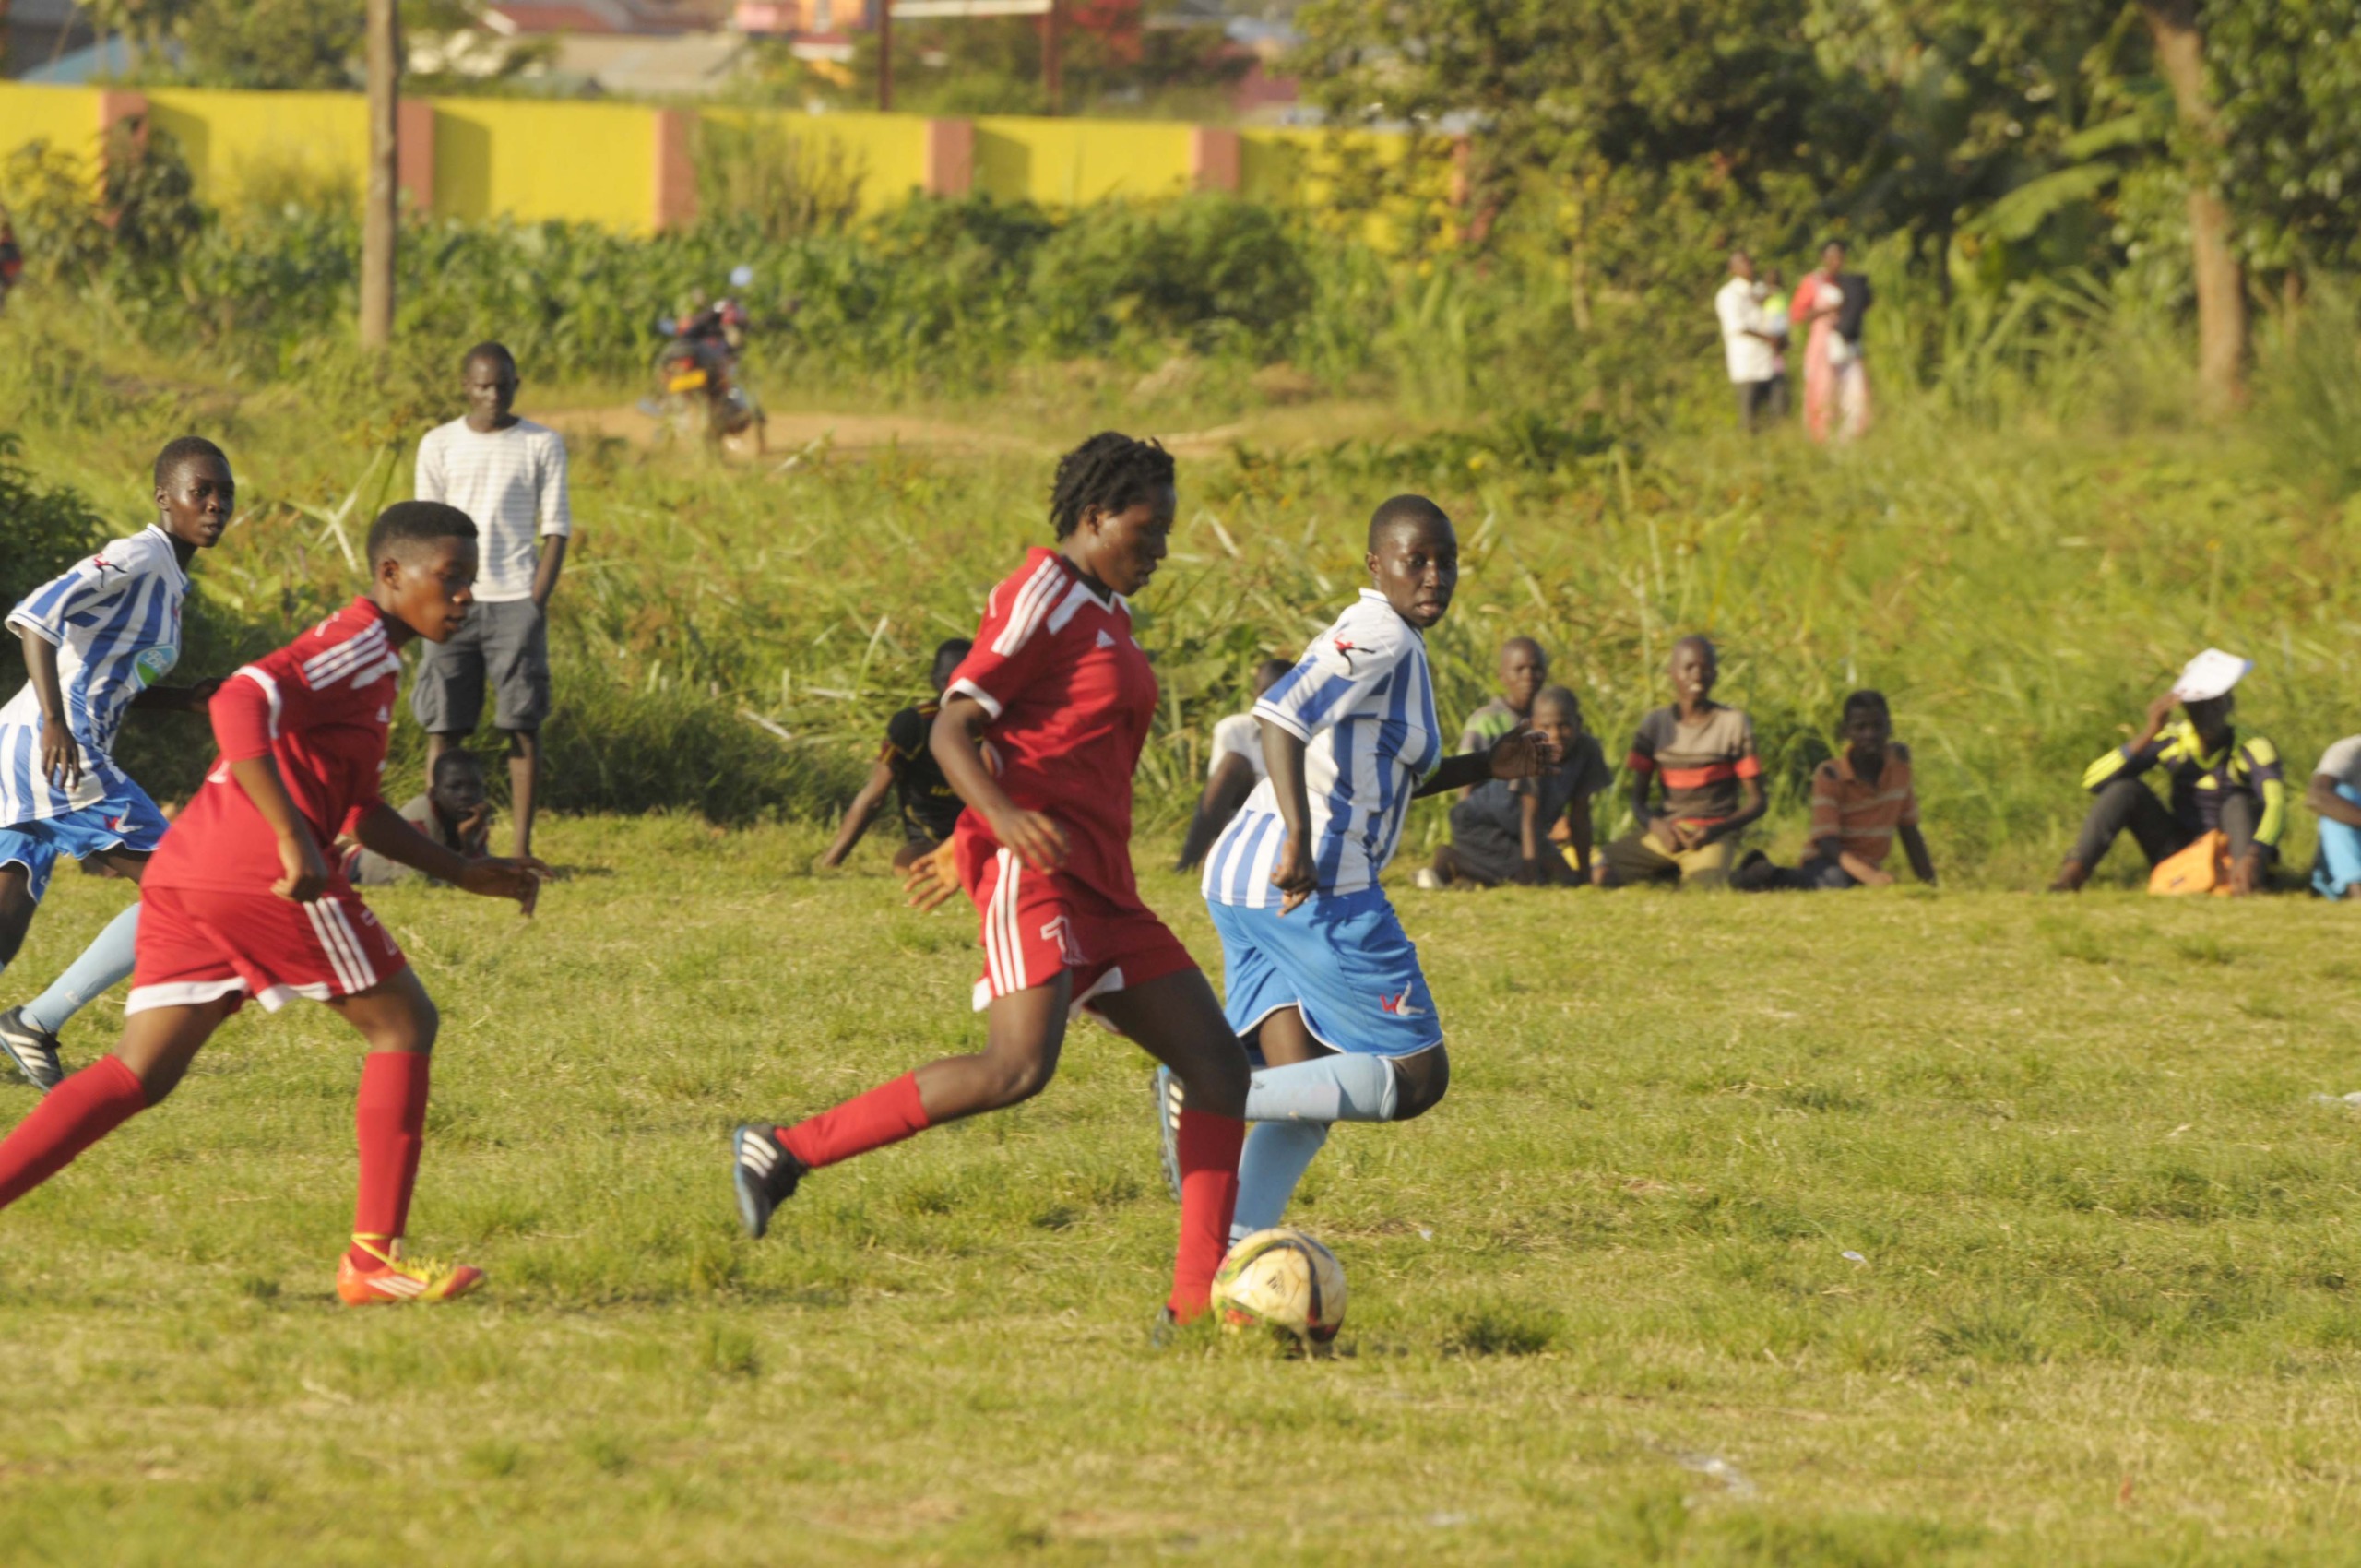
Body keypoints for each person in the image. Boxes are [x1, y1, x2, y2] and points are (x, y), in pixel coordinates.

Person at [729, 434, 1249, 1330]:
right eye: (1146, 526)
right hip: (1036, 875)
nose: (1159, 546)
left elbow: (1056, 751)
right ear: (1094, 516)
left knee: (1216, 1067)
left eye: (1166, 530)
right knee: (1016, 1067)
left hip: (1106, 888)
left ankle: (1195, 1306)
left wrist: (972, 830)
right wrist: (997, 827)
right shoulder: (1040, 589)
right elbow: (954, 727)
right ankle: (783, 1147)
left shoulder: (1108, 612)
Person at [0, 502, 545, 1304]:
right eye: (451, 579)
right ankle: (371, 1261)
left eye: (471, 582)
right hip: (255, 872)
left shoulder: (381, 665)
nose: (464, 598)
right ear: (393, 576)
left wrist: (462, 872)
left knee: (138, 1072)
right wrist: (293, 840)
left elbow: (360, 808)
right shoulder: (357, 643)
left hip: (192, 869)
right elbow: (238, 702)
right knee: (403, 1023)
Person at [1176, 495, 1559, 1251]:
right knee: (1416, 1078)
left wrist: (1486, 764)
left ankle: (1233, 1255)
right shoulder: (1380, 632)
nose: (1434, 575)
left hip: (1247, 881)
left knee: (1306, 1093)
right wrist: (1298, 835)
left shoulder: (1401, 645)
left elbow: (1383, 774)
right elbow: (1279, 716)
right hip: (1315, 884)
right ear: (1375, 565)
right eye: (1415, 560)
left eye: (1446, 561)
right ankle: (1206, 1092)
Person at [0, 438, 234, 1093]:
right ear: (166, 498)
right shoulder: (140, 555)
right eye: (201, 491)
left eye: (225, 493)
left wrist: (184, 701)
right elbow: (37, 618)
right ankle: (35, 1023)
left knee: (6, 924)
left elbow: (110, 676)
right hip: (55, 747)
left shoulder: (172, 579)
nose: (216, 504)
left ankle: (30, 1025)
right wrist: (53, 720)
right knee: (185, 888)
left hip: (26, 747)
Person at [412, 341, 571, 861]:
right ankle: (442, 847)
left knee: (521, 726)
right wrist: (430, 601)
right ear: (466, 387)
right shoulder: (438, 444)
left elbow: (556, 530)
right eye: (483, 386)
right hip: (450, 603)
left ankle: (520, 849)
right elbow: (425, 531)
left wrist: (534, 603)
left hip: (513, 601)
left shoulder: (541, 444)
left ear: (515, 384)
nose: (493, 396)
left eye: (503, 385)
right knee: (445, 726)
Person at [2048, 649, 2284, 895]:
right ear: (2186, 708)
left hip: (2237, 851)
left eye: (2216, 703)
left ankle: (2244, 883)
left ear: (2230, 704)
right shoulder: (2172, 740)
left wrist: (2255, 852)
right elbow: (2093, 782)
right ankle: (2071, 876)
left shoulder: (2251, 746)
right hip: (2181, 851)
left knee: (2238, 802)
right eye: (2199, 706)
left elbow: (2276, 805)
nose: (2208, 714)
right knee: (2125, 790)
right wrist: (2149, 733)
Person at [1596, 636, 1764, 889]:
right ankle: (1665, 870)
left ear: (1715, 674)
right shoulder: (1654, 725)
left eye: (1705, 668)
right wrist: (1658, 827)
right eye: (1688, 668)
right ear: (1672, 673)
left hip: (1711, 835)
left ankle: (1730, 869)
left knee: (1699, 890)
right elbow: (1637, 800)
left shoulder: (1733, 724)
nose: (1697, 676)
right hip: (1667, 834)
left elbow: (1757, 802)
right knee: (1598, 873)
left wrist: (1714, 831)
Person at [1733, 690, 1936, 890]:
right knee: (1836, 881)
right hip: (1828, 861)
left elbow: (1909, 831)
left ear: (1889, 728)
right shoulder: (1831, 774)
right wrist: (1870, 876)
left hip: (1864, 866)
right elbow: (1826, 842)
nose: (1870, 734)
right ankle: (1764, 875)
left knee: (1847, 883)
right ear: (1846, 731)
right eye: (1860, 727)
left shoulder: (1899, 769)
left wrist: (1929, 883)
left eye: (1877, 726)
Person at [1422, 685, 1612, 887]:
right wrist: (1531, 875)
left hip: (1521, 828)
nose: (1555, 734)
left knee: (1566, 878)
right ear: (1534, 725)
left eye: (1564, 725)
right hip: (1477, 822)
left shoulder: (1588, 750)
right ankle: (1452, 860)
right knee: (1524, 875)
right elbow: (1529, 816)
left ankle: (1472, 875)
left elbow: (1580, 817)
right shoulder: (1531, 751)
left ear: (1579, 723)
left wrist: (1584, 875)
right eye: (1546, 727)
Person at [820, 638, 975, 873]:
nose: (953, 689)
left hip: (982, 839)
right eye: (947, 681)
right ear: (933, 680)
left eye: (964, 681)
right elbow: (873, 797)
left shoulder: (999, 724)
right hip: (929, 846)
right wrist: (831, 862)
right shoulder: (914, 724)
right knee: (908, 862)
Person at [1176, 658, 1291, 872]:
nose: (1273, 698)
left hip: (1286, 826)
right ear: (1254, 694)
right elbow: (1217, 797)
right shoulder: (1234, 729)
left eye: (1282, 691)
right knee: (1232, 763)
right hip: (1239, 824)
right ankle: (1188, 862)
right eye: (1266, 690)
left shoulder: (1314, 736)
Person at [343, 749, 492, 886]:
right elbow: (412, 881)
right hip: (360, 870)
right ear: (433, 793)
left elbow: (480, 873)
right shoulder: (418, 820)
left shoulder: (474, 817)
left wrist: (468, 844)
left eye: (475, 786)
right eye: (455, 787)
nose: (466, 794)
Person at [1790, 241, 1872, 444]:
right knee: (1823, 392)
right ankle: (1822, 439)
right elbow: (1797, 313)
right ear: (1823, 259)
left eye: (1840, 257)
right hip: (1823, 346)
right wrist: (1829, 310)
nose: (1836, 262)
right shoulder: (1814, 282)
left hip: (1847, 343)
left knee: (1854, 392)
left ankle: (1851, 438)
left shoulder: (1848, 282)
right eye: (1832, 257)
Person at [1716, 250, 1780, 434]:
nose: (1748, 267)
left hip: (1768, 359)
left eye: (1750, 262)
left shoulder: (1760, 289)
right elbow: (1738, 326)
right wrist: (1768, 338)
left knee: (1776, 411)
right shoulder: (1729, 295)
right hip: (1746, 362)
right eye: (1743, 263)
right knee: (1749, 416)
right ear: (1732, 270)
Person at [2307, 734, 2361, 900]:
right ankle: (2354, 885)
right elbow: (2317, 798)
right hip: (2348, 851)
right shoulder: (2348, 750)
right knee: (2337, 797)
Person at [1760, 266, 1792, 419]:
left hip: (1778, 336)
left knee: (1778, 371)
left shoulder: (1782, 295)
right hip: (1766, 338)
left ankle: (1778, 412)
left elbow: (1785, 318)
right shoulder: (1763, 293)